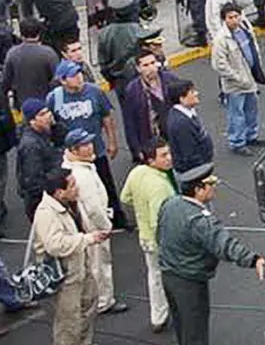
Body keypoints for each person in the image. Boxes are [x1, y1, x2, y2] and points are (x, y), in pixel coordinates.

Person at [158, 163, 265, 345]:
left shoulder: (170, 204)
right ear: (199, 190)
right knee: (196, 331)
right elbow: (223, 244)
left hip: (169, 275)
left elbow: (159, 235)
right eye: (211, 183)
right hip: (190, 282)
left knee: (182, 326)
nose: (214, 187)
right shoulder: (199, 219)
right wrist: (253, 259)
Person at [33, 169, 111, 345]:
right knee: (69, 323)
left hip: (81, 268)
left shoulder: (70, 203)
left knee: (89, 303)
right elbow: (55, 245)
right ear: (60, 192)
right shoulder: (46, 213)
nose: (77, 188)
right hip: (65, 278)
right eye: (73, 185)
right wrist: (87, 239)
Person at [47, 59, 125, 228]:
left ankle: (117, 217)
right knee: (77, 189)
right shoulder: (55, 98)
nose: (79, 77)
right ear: (63, 80)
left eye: (79, 73)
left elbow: (106, 117)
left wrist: (112, 141)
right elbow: (51, 123)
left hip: (95, 149)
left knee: (105, 184)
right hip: (72, 156)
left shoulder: (95, 92)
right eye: (73, 75)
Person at [61, 129, 128, 315]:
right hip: (94, 226)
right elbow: (93, 207)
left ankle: (98, 300)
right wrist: (106, 225)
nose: (90, 147)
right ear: (74, 150)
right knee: (99, 263)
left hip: (87, 226)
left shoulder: (77, 167)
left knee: (94, 263)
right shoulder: (81, 174)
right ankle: (103, 301)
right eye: (85, 145)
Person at [119, 139, 176, 333]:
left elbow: (125, 197)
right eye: (163, 155)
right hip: (160, 240)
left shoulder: (136, 173)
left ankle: (158, 316)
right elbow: (158, 221)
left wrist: (140, 207)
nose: (169, 158)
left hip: (145, 238)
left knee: (154, 277)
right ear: (151, 160)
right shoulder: (159, 185)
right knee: (173, 279)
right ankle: (173, 313)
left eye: (169, 153)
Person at [211, 4, 265, 155]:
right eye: (230, 17)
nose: (235, 20)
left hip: (250, 79)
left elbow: (253, 49)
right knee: (236, 114)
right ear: (224, 19)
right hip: (235, 84)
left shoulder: (244, 30)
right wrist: (237, 77)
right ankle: (237, 142)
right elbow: (218, 64)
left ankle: (251, 136)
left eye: (237, 16)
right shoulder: (221, 39)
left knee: (251, 110)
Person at [123, 48, 179, 163]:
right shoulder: (132, 90)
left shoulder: (171, 80)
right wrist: (136, 149)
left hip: (175, 136)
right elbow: (130, 122)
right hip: (152, 140)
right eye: (145, 65)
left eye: (153, 63)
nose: (150, 68)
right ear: (138, 68)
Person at [15, 99, 59, 220]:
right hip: (41, 202)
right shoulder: (31, 145)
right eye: (42, 114)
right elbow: (33, 181)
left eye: (48, 111)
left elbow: (62, 137)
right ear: (32, 121)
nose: (48, 116)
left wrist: (55, 126)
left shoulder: (43, 132)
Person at [96, 0, 141, 110]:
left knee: (128, 116)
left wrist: (111, 80)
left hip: (119, 81)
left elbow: (103, 64)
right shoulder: (138, 30)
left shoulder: (104, 34)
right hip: (138, 78)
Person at [2, 18, 58, 110]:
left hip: (22, 105)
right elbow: (57, 80)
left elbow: (5, 83)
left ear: (21, 33)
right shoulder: (49, 53)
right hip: (45, 106)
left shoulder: (12, 53)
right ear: (39, 33)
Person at [165, 80, 213, 174]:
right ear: (182, 99)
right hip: (195, 171)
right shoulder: (181, 124)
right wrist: (204, 172)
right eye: (191, 92)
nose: (196, 93)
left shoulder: (187, 112)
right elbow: (190, 156)